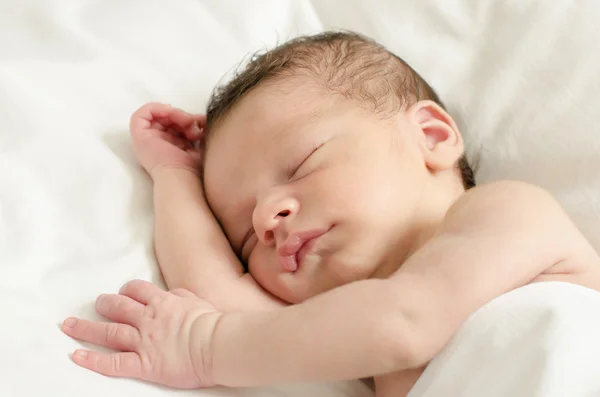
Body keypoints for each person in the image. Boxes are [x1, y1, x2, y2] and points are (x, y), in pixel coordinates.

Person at [61, 32, 600, 397]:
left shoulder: (508, 212)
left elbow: (403, 322)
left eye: (300, 165)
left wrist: (204, 346)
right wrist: (173, 175)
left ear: (431, 137)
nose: (269, 219)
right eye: (247, 241)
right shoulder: (355, 350)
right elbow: (220, 301)